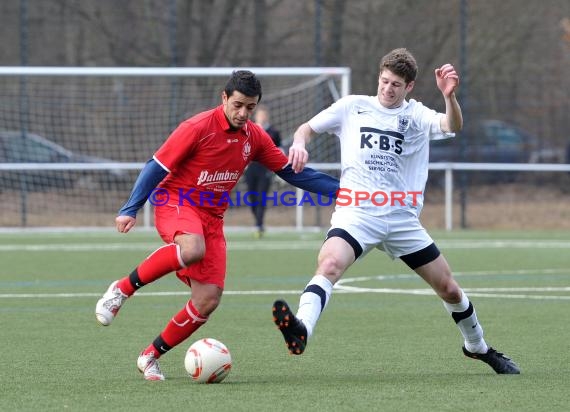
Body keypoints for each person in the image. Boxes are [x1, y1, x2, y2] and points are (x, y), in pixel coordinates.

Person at [272, 48, 520, 374]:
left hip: (402, 219)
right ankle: (301, 329)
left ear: (409, 87)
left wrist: (450, 97)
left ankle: (478, 347)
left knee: (448, 288)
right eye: (385, 81)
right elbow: (306, 128)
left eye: (396, 85)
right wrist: (300, 142)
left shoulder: (416, 115)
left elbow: (451, 124)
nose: (388, 89)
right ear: (379, 77)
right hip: (357, 212)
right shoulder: (352, 107)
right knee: (330, 263)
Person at [95, 70, 339, 381]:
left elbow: (291, 172)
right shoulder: (197, 127)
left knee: (207, 300)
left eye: (250, 107)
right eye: (237, 105)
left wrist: (342, 191)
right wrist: (130, 208)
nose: (243, 113)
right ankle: (121, 290)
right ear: (224, 98)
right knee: (193, 248)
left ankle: (150, 356)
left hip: (212, 217)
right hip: (176, 201)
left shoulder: (254, 136)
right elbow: (156, 166)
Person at [244, 105, 282, 237]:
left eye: (264, 115)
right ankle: (258, 221)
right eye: (260, 115)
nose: (262, 117)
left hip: (265, 168)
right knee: (252, 197)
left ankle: (258, 225)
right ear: (256, 116)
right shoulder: (248, 129)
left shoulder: (273, 132)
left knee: (261, 197)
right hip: (250, 168)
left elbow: (279, 149)